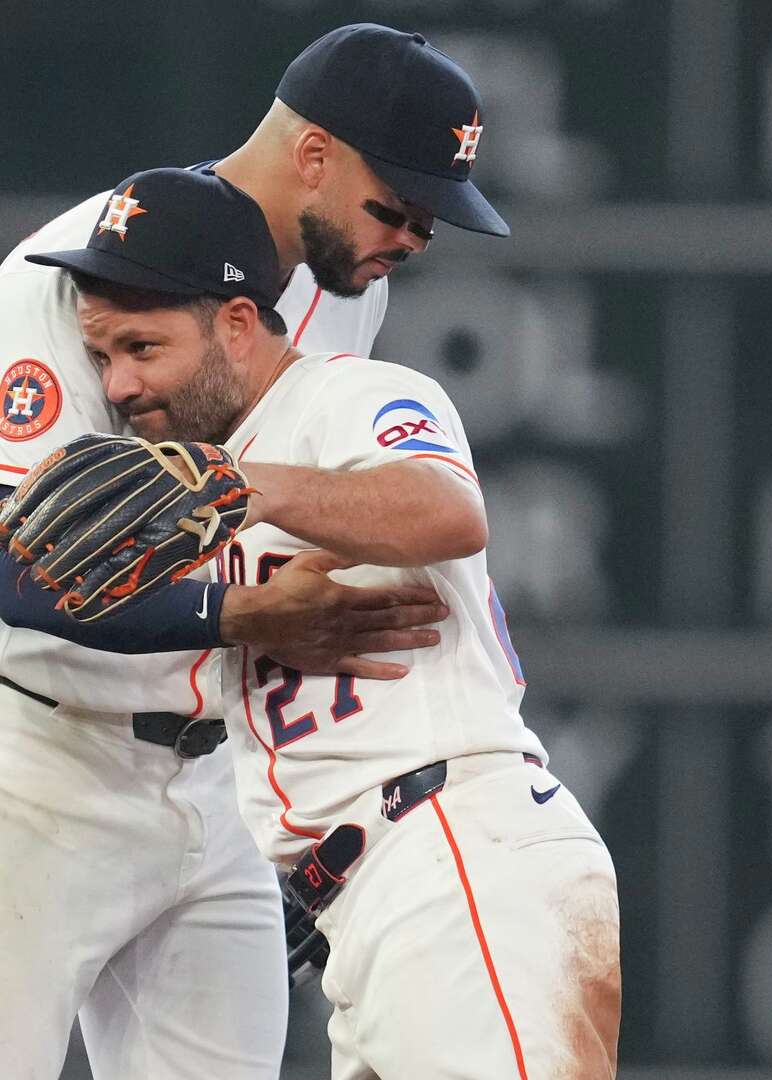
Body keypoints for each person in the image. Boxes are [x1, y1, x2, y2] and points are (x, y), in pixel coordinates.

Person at [32, 163, 621, 1079]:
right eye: (104, 356)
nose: (118, 386)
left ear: (236, 323)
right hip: (368, 899)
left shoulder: (349, 396)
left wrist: (246, 487)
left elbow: (448, 511)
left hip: (461, 858)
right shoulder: (199, 474)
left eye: (143, 349)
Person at [0, 24, 509, 1080]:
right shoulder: (84, 275)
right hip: (39, 768)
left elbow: (290, 519)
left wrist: (301, 816)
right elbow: (16, 565)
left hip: (215, 787)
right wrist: (233, 619)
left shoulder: (349, 284)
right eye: (397, 204)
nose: (414, 236)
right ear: (313, 154)